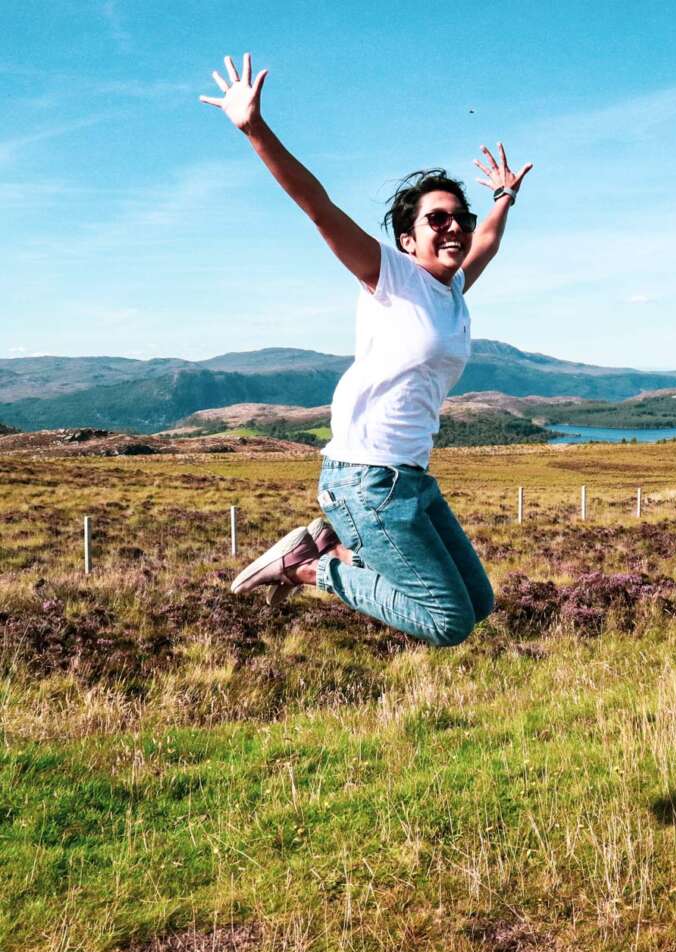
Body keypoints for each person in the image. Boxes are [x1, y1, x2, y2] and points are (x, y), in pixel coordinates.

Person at [201, 54, 532, 647]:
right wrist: (254, 129)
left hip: (411, 478)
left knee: (478, 603)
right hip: (365, 479)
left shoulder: (451, 289)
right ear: (408, 238)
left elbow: (487, 241)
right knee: (447, 622)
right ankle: (314, 566)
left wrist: (504, 197)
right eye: (438, 219)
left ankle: (325, 545)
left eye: (459, 216)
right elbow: (318, 206)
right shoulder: (390, 276)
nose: (453, 227)